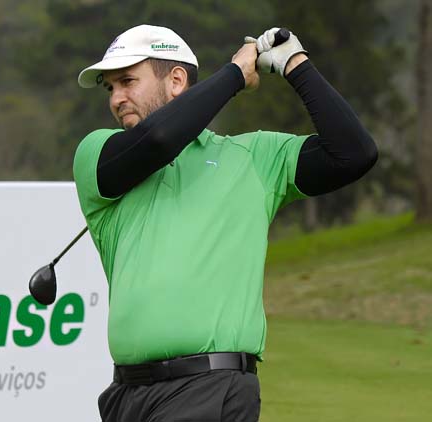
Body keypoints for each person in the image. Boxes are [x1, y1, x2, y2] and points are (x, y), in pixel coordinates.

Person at [72, 24, 377, 422]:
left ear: (177, 80)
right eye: (109, 88)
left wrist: (295, 66)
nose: (116, 98)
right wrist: (234, 74)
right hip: (125, 399)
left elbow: (353, 154)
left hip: (210, 389)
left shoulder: (253, 157)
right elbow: (158, 140)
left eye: (128, 81)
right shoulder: (98, 154)